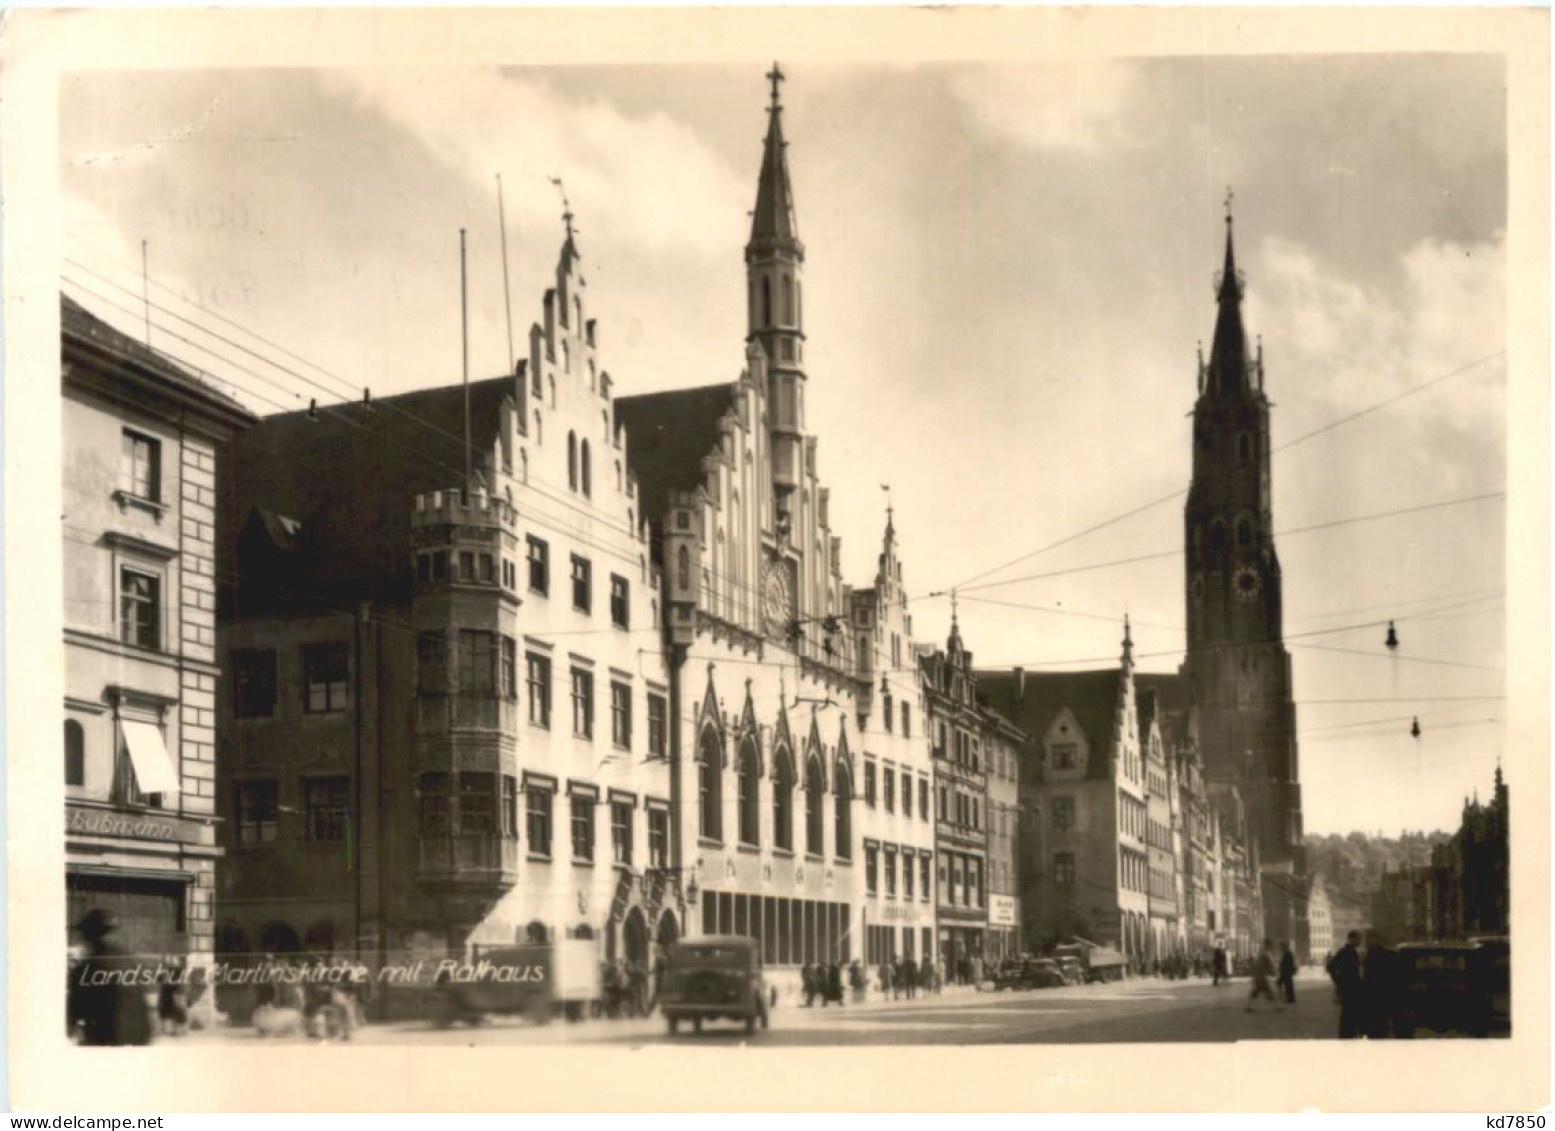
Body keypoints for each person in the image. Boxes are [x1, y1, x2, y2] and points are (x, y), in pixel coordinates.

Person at [67, 910, 153, 1046]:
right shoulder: (128, 959)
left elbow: (75, 1008)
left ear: (89, 936)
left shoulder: (88, 966)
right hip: (138, 1038)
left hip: (108, 1040)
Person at [1325, 930, 1365, 1039]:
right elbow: (1330, 967)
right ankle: (1346, 1037)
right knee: (1348, 1015)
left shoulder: (1350, 952)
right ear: (1352, 939)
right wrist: (1339, 982)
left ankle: (1348, 1035)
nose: (1360, 941)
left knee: (1349, 1015)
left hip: (1350, 988)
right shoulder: (1346, 952)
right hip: (1349, 989)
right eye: (1359, 939)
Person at [1362, 930, 1397, 1038]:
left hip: (1378, 996)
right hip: (1378, 996)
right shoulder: (1372, 955)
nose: (1369, 941)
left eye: (1371, 939)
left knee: (1378, 1027)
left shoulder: (1372, 955)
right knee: (1379, 1027)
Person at [1245, 938, 1278, 1013]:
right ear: (1268, 944)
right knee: (1269, 992)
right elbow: (1270, 964)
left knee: (1255, 992)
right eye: (1270, 944)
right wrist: (1273, 971)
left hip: (1259, 976)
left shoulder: (1262, 952)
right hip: (1262, 977)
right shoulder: (1266, 953)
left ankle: (1248, 1006)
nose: (1271, 946)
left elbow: (1261, 964)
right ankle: (1277, 1007)